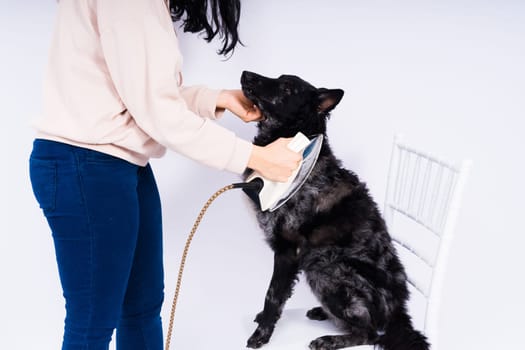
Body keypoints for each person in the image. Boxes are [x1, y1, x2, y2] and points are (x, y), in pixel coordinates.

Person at [28, 0, 301, 349]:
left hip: (117, 163)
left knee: (141, 308)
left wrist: (213, 99)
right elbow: (157, 111)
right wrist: (255, 157)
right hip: (85, 165)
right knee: (92, 321)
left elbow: (140, 95)